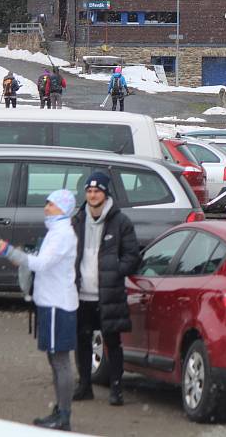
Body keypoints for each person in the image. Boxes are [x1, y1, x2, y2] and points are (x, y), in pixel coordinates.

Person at [0, 190, 79, 431]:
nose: (46, 208)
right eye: (47, 203)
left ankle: (64, 415)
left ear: (63, 208)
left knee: (60, 360)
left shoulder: (61, 234)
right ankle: (60, 410)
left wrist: (10, 252)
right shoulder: (57, 232)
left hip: (57, 304)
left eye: (51, 204)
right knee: (55, 359)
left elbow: (42, 264)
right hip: (52, 302)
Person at [72, 172, 140, 406]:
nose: (92, 195)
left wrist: (117, 270)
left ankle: (116, 389)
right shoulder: (78, 219)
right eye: (89, 191)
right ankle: (84, 385)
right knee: (82, 340)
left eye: (97, 191)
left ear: (105, 193)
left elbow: (132, 256)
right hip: (81, 295)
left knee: (113, 342)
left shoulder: (121, 222)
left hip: (109, 293)